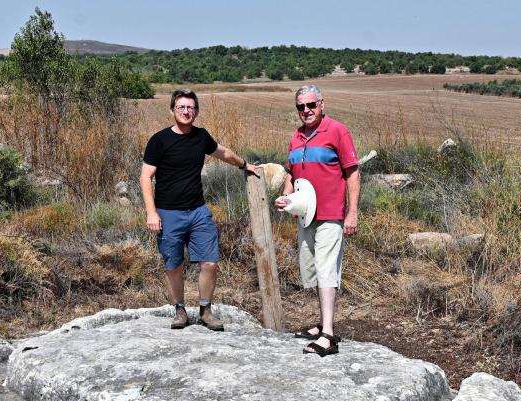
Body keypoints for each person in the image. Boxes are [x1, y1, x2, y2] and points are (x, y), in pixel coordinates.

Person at [141, 88, 260, 331]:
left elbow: (222, 152)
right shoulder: (159, 140)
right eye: (181, 107)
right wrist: (151, 213)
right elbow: (145, 178)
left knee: (210, 262)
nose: (186, 111)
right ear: (172, 110)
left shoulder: (200, 136)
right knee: (173, 264)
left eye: (191, 107)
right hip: (168, 213)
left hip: (198, 211)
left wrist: (245, 165)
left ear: (196, 111)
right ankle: (180, 310)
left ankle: (205, 309)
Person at [275, 84, 361, 356]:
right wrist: (285, 198)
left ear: (322, 104)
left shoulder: (337, 131)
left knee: (326, 270)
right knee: (312, 269)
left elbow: (353, 174)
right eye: (301, 106)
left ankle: (328, 336)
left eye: (311, 105)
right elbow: (292, 174)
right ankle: (322, 323)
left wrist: (352, 212)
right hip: (305, 216)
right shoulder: (296, 137)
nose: (306, 110)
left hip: (331, 215)